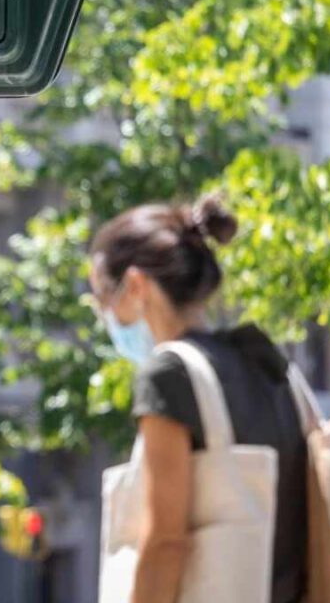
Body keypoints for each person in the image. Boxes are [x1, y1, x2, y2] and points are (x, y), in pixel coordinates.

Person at [89, 197, 308, 603]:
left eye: (102, 300)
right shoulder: (269, 366)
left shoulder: (169, 374)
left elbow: (165, 542)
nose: (106, 317)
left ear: (136, 285)